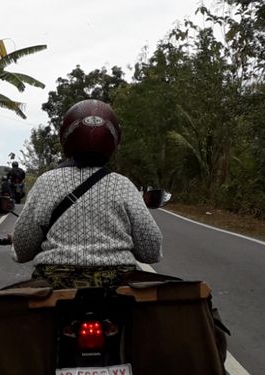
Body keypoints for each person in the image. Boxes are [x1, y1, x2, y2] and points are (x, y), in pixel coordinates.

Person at [10, 99, 162, 289]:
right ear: (113, 138)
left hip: (55, 284)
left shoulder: (46, 183)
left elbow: (23, 249)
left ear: (66, 136)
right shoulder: (123, 185)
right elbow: (151, 250)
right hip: (117, 285)